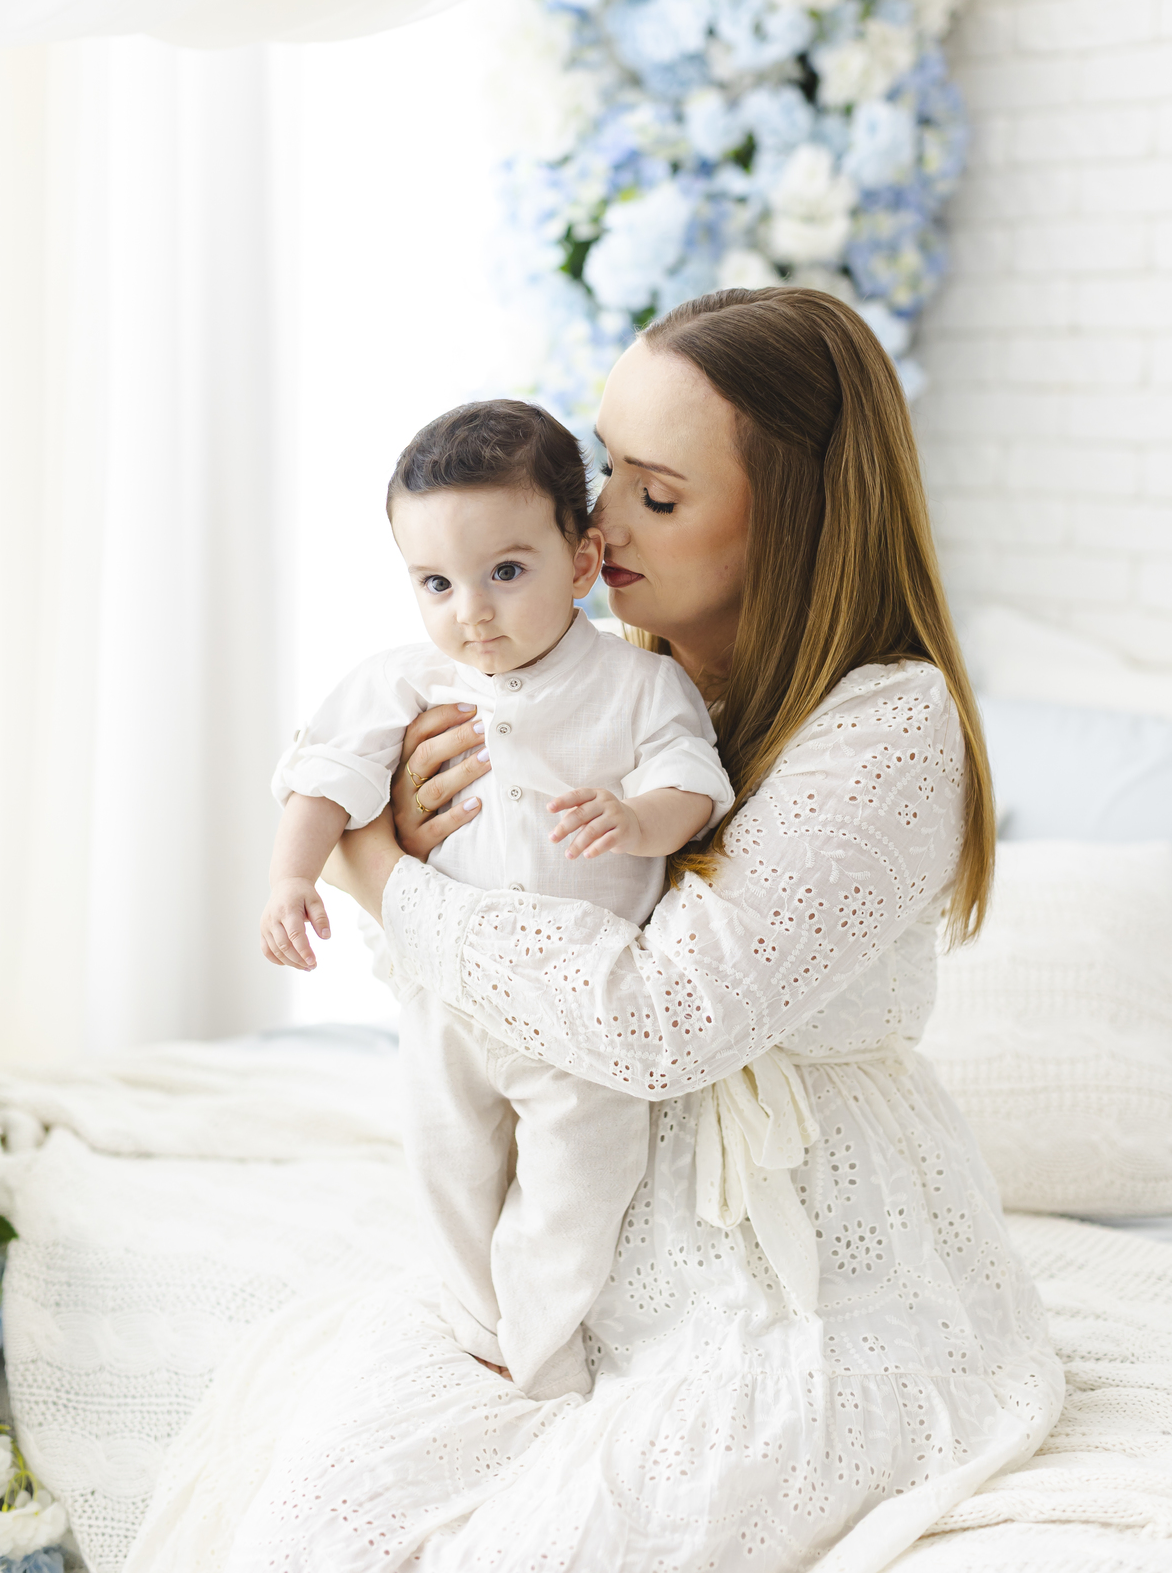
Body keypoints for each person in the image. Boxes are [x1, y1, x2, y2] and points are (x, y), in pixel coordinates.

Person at [232, 287, 1065, 1571]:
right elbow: (476, 980)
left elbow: (660, 1022)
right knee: (325, 1511)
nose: (601, 522)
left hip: (797, 1278)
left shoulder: (888, 728)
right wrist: (391, 847)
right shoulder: (585, 675)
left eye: (657, 496)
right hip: (560, 1248)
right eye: (606, 465)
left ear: (793, 516)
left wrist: (385, 874)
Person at [261, 399, 733, 1399]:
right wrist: (291, 878)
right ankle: (478, 1324)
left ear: (582, 558)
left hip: (582, 1010)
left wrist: (638, 820)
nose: (470, 611)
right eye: (436, 583)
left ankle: (543, 1345)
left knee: (579, 1182)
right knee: (449, 1161)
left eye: (504, 573)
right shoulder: (409, 681)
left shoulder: (638, 685)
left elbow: (692, 782)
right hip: (448, 996)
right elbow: (323, 779)